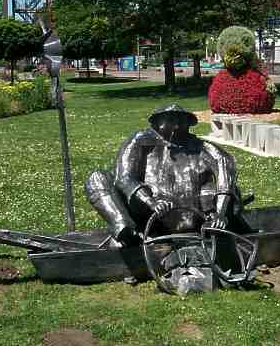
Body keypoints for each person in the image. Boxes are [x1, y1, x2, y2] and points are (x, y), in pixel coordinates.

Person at [85, 104, 243, 246]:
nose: (176, 126)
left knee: (231, 189)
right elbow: (124, 178)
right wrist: (150, 202)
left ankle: (213, 228)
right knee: (98, 178)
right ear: (156, 123)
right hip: (146, 213)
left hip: (192, 216)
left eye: (181, 121)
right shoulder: (140, 141)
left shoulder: (201, 147)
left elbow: (224, 163)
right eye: (169, 120)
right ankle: (126, 231)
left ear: (188, 124)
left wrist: (220, 214)